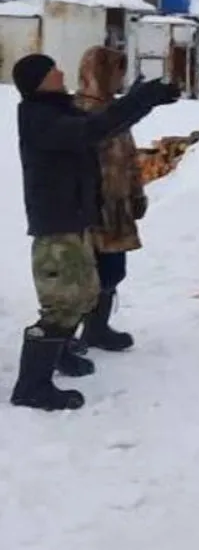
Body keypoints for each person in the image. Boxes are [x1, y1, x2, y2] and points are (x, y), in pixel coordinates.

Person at [8, 53, 178, 411]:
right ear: (39, 80)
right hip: (56, 225)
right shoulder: (40, 118)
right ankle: (31, 387)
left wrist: (146, 101)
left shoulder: (60, 109)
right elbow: (93, 131)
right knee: (62, 304)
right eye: (53, 69)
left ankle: (60, 355)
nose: (61, 71)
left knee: (84, 294)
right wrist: (141, 99)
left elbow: (105, 125)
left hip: (76, 218)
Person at [74, 46, 147, 354]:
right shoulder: (77, 111)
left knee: (113, 270)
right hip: (88, 207)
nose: (121, 79)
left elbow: (129, 156)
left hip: (117, 205)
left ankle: (97, 328)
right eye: (117, 71)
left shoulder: (116, 111)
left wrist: (136, 192)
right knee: (83, 274)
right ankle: (63, 338)